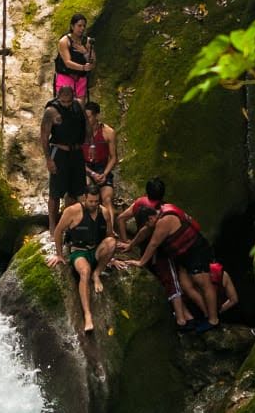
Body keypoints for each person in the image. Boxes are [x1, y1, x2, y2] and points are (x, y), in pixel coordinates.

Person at [124, 179, 221, 332]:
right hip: (183, 255)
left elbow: (153, 243)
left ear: (151, 219)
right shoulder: (155, 213)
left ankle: (213, 319)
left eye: (148, 223)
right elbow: (145, 231)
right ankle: (204, 314)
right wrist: (130, 245)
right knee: (186, 286)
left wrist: (141, 262)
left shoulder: (165, 220)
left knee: (203, 282)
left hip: (195, 250)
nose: (148, 226)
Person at [45, 184, 118, 334]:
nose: (93, 204)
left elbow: (109, 235)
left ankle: (97, 273)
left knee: (112, 243)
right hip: (79, 252)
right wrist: (59, 255)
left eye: (96, 201)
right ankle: (88, 315)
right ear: (85, 198)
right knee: (84, 272)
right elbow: (58, 231)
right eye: (91, 201)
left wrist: (111, 258)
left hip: (96, 250)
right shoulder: (72, 211)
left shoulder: (104, 212)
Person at [41, 82, 87, 237]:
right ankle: (52, 225)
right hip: (59, 152)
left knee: (76, 190)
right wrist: (49, 159)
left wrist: (90, 145)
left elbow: (86, 125)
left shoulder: (78, 106)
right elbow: (44, 137)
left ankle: (68, 222)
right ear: (58, 98)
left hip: (76, 152)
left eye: (69, 101)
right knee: (55, 192)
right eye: (63, 102)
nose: (66, 105)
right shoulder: (51, 111)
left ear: (73, 97)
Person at [80, 101, 119, 237]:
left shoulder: (108, 132)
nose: (86, 120)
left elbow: (114, 158)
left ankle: (110, 230)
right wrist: (91, 173)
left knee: (107, 198)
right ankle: (85, 227)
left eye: (89, 116)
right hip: (86, 168)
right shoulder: (79, 132)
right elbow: (77, 159)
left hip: (102, 167)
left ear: (96, 116)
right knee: (84, 192)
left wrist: (104, 173)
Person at [54, 13, 95, 102]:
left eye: (84, 26)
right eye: (79, 26)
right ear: (72, 26)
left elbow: (93, 62)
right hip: (66, 77)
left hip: (81, 78)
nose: (82, 28)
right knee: (65, 104)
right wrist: (83, 67)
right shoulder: (64, 41)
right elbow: (68, 63)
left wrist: (85, 53)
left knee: (80, 107)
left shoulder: (87, 41)